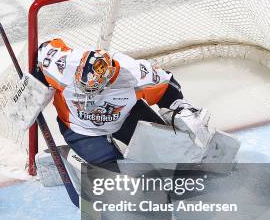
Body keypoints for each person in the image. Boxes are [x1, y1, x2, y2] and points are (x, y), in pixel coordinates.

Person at [33, 38, 211, 165]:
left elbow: (167, 89)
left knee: (173, 152)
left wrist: (181, 110)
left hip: (126, 117)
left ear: (109, 79)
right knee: (116, 183)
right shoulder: (62, 66)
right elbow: (44, 49)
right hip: (80, 129)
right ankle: (82, 157)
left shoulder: (136, 75)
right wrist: (37, 82)